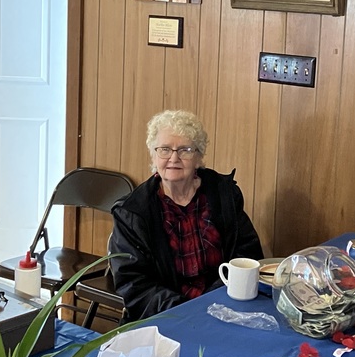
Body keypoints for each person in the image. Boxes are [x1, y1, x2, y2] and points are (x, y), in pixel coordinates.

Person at [110, 109, 264, 322]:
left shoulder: (223, 195)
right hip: (164, 318)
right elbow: (134, 285)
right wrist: (185, 312)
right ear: (153, 155)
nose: (174, 158)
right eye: (164, 149)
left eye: (185, 150)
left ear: (199, 156)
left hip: (223, 310)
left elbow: (247, 254)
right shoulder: (132, 213)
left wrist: (214, 304)